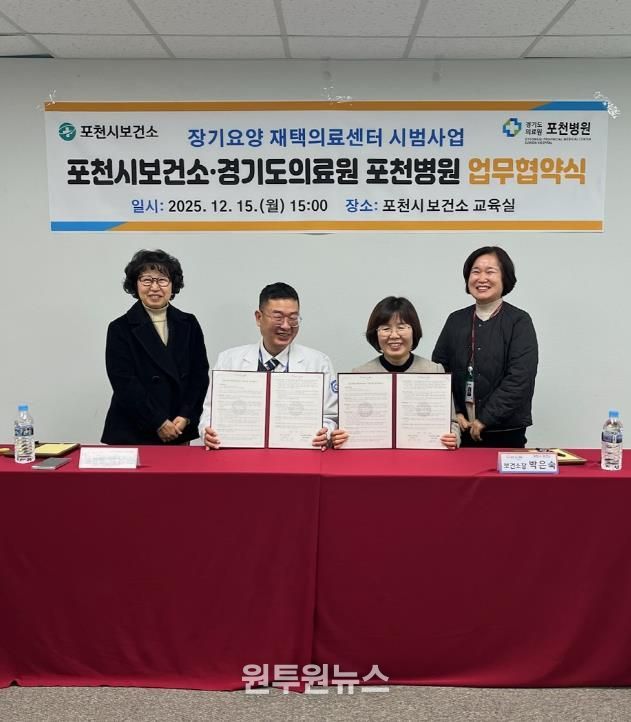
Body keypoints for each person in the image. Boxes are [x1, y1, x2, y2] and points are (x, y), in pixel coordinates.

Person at [200, 282, 337, 449]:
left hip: (299, 452)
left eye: (293, 318)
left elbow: (331, 416)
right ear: (259, 318)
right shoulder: (229, 360)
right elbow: (210, 412)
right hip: (240, 452)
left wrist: (326, 432)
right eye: (278, 317)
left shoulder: (319, 362)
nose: (286, 326)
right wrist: (207, 432)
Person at [432, 246, 538, 448]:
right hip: (460, 431)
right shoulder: (455, 320)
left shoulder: (519, 321)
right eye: (476, 271)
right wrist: (455, 413)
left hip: (506, 431)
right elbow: (439, 370)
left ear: (505, 277)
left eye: (490, 272)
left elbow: (520, 378)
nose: (482, 278)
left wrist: (485, 419)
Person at [101, 249, 209, 445]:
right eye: (147, 280)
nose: (154, 287)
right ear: (135, 284)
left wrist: (186, 415)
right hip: (134, 429)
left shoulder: (189, 323)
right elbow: (124, 382)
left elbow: (199, 375)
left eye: (162, 280)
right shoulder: (120, 328)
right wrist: (158, 421)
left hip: (177, 426)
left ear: (173, 284)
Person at [331, 296, 459, 449]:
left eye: (401, 327)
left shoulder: (434, 371)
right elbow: (348, 427)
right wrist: (339, 437)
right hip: (374, 457)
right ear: (375, 334)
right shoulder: (360, 375)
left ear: (414, 331)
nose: (394, 335)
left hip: (422, 456)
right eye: (385, 329)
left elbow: (452, 423)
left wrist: (454, 437)